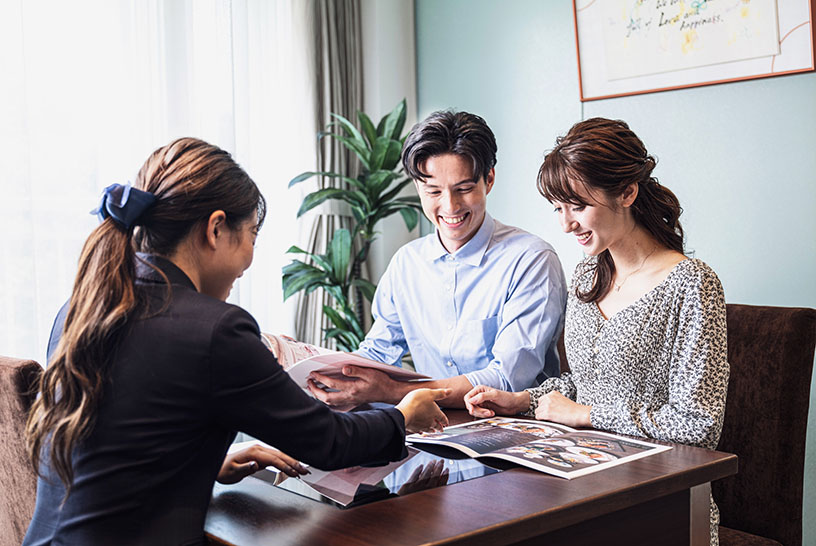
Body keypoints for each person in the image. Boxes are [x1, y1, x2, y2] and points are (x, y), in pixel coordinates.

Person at [23, 138, 449, 546]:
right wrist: (403, 416)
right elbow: (327, 441)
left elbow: (108, 441)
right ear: (216, 229)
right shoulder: (214, 329)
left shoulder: (82, 307)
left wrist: (203, 465)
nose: (249, 260)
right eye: (252, 237)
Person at [463, 118, 729, 546]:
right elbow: (588, 381)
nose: (566, 224)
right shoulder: (587, 274)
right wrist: (523, 400)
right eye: (558, 208)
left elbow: (699, 426)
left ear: (627, 193)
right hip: (581, 486)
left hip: (659, 501)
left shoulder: (692, 285)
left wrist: (585, 415)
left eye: (577, 206)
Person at [307, 111, 567, 409]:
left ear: (489, 179)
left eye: (464, 189)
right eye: (433, 191)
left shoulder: (531, 260)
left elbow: (507, 380)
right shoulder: (407, 263)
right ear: (418, 187)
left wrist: (394, 392)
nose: (450, 206)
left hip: (514, 435)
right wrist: (317, 371)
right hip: (432, 433)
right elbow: (378, 353)